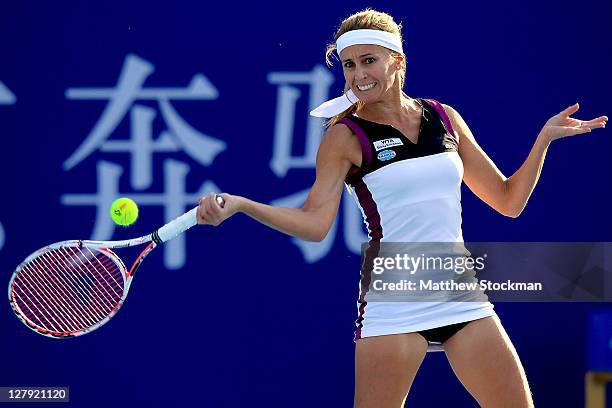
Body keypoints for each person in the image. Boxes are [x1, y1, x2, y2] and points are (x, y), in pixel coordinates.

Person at [196, 9, 607, 408]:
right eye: (349, 65)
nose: (358, 76)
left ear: (398, 61)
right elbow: (314, 223)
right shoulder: (344, 136)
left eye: (369, 61)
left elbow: (507, 200)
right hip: (395, 296)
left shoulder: (443, 118)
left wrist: (542, 142)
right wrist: (243, 205)